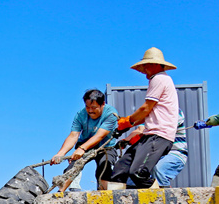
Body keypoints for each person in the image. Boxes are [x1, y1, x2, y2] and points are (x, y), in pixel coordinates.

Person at [110, 48, 179, 188]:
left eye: (146, 66)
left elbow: (145, 108)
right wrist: (127, 125)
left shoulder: (159, 78)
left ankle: (161, 196)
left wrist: (127, 121)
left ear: (154, 65)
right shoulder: (160, 80)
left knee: (138, 173)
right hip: (149, 136)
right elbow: (146, 115)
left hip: (159, 136)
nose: (144, 70)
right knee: (119, 171)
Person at [50, 89, 119, 190]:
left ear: (103, 104)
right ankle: (61, 194)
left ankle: (105, 194)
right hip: (85, 145)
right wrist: (61, 153)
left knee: (104, 169)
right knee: (72, 169)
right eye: (87, 107)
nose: (90, 110)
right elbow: (73, 135)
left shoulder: (111, 114)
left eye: (94, 107)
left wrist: (82, 148)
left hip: (106, 147)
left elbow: (99, 135)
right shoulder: (81, 115)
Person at [123, 109, 187, 188]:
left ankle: (165, 197)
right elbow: (140, 129)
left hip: (174, 153)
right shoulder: (152, 113)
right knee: (133, 175)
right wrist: (125, 140)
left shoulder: (175, 112)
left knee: (159, 170)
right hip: (154, 153)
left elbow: (160, 128)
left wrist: (141, 134)